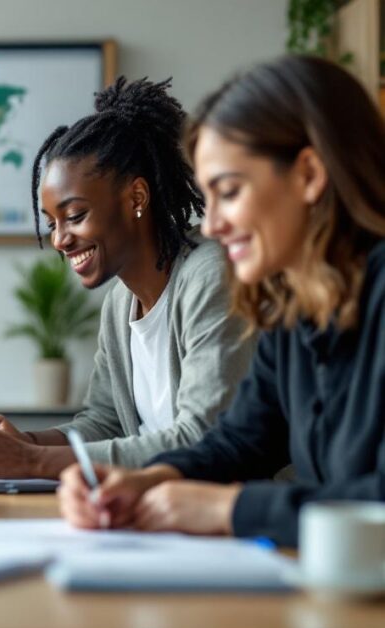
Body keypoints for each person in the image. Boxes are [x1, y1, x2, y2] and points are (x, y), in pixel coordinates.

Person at [59, 55, 385, 546]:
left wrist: (229, 509)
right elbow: (240, 441)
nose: (211, 226)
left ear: (310, 175)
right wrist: (148, 480)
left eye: (229, 192)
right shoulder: (295, 307)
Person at [0, 78, 255, 479]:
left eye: (75, 216)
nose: (61, 239)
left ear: (136, 198)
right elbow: (105, 422)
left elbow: (201, 437)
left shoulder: (210, 276)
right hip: (154, 514)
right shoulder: (121, 302)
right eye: (53, 222)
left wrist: (33, 462)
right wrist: (25, 443)